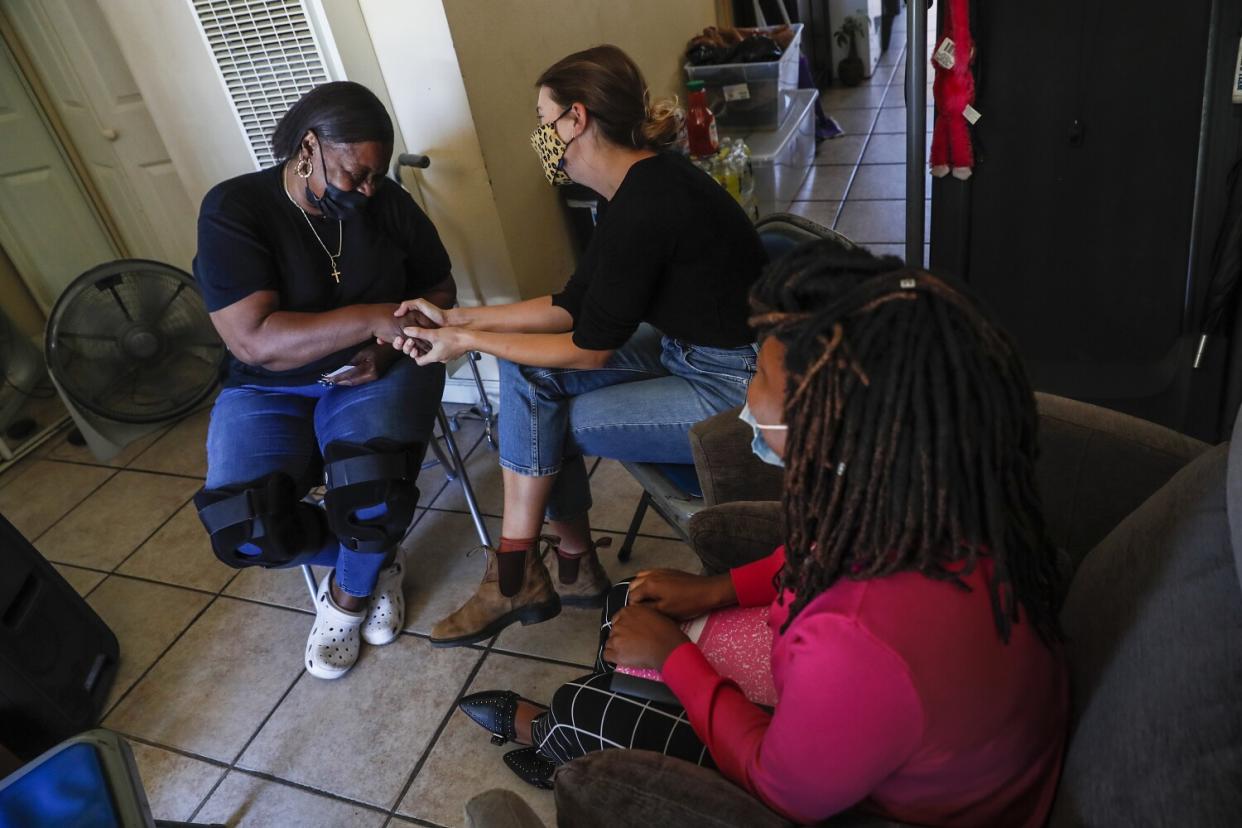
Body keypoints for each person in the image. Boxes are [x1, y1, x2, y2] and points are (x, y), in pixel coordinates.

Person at [454, 243, 1070, 826]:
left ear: (826, 430)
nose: (746, 395)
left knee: (594, 710)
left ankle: (558, 735)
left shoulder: (862, 641)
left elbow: (782, 788)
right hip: (869, 728)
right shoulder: (927, 493)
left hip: (862, 798)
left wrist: (675, 658)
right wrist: (717, 589)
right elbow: (816, 558)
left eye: (760, 381)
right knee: (631, 599)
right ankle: (590, 717)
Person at [389, 45, 767, 646]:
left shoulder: (647, 203)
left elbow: (589, 348)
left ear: (577, 118)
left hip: (734, 384)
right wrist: (456, 317)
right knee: (527, 382)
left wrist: (466, 341)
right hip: (689, 348)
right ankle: (558, 569)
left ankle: (520, 575)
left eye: (545, 117)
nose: (540, 132)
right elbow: (571, 302)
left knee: (544, 417)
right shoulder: (632, 185)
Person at [192, 81, 456, 680]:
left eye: (375, 176)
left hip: (374, 373)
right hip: (267, 387)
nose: (367, 191)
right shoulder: (236, 209)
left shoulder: (385, 203)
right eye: (353, 173)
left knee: (371, 493)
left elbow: (440, 293)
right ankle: (373, 555)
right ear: (307, 146)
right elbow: (254, 339)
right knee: (244, 528)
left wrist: (386, 352)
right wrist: (372, 318)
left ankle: (348, 597)